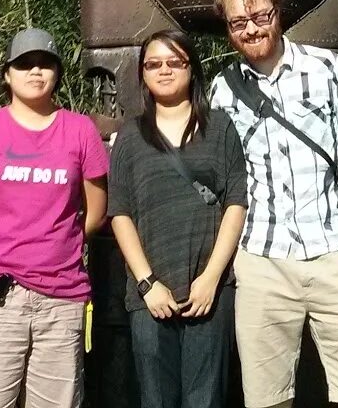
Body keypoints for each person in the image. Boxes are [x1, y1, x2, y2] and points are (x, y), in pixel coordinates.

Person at [208, 0, 338, 408]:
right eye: (239, 23)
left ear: (278, 14)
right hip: (261, 262)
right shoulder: (222, 90)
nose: (251, 29)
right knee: (267, 400)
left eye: (259, 17)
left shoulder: (325, 67)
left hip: (335, 255)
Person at [0, 27, 110, 408]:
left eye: (45, 63)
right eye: (24, 64)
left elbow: (95, 212)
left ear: (57, 73)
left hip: (61, 300)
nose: (35, 71)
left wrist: (58, 250)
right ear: (7, 74)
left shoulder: (81, 131)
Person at [108, 29, 248, 408]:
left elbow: (236, 202)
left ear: (192, 68)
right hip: (151, 294)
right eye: (154, 64)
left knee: (206, 398)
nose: (164, 70)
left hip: (210, 290)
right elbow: (119, 213)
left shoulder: (220, 127)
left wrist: (212, 278)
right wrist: (147, 282)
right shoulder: (130, 137)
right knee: (156, 399)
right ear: (143, 75)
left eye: (175, 62)